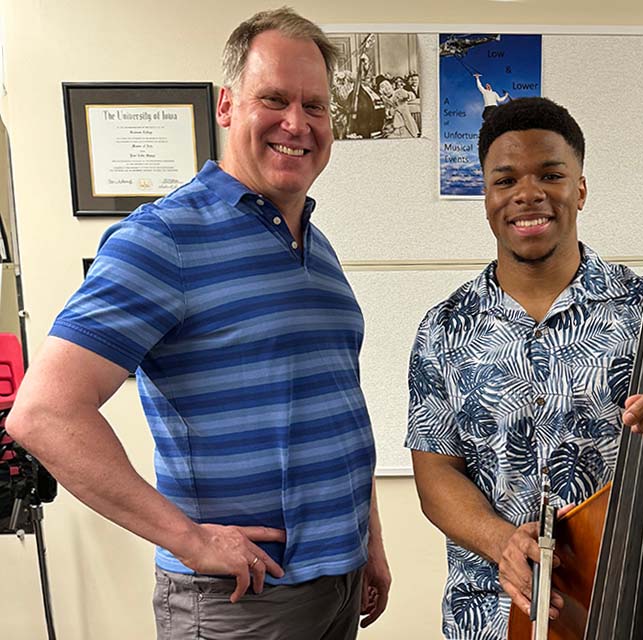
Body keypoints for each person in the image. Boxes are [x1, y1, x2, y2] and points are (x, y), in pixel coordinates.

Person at [6, 9, 390, 638]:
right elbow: (44, 413)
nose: (297, 124)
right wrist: (190, 540)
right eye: (274, 99)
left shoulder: (316, 248)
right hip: (242, 598)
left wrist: (367, 539)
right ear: (227, 105)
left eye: (315, 106)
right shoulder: (163, 239)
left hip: (337, 584)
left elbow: (333, 405)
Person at [405, 97, 643, 639]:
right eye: (505, 180)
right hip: (491, 610)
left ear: (581, 189)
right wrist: (501, 541)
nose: (528, 194)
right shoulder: (444, 327)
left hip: (635, 604)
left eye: (551, 174)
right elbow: (436, 474)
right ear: (486, 195)